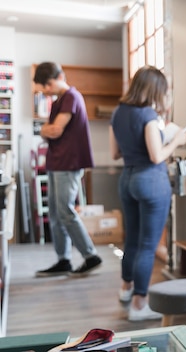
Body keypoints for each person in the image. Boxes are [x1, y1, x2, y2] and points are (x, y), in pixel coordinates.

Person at [109, 66, 186, 321]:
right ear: (155, 90)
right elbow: (156, 156)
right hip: (151, 181)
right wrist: (176, 140)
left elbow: (115, 154)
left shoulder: (118, 114)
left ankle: (125, 289)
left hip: (127, 179)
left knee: (132, 239)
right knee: (147, 245)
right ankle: (140, 305)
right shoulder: (148, 115)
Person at [33, 62, 103, 278]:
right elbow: (48, 130)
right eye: (43, 86)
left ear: (61, 76)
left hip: (68, 164)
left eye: (49, 84)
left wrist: (45, 130)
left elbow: (53, 130)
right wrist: (46, 130)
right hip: (56, 163)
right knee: (55, 213)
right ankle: (63, 260)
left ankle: (91, 256)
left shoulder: (72, 96)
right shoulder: (57, 102)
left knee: (65, 210)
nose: (46, 89)